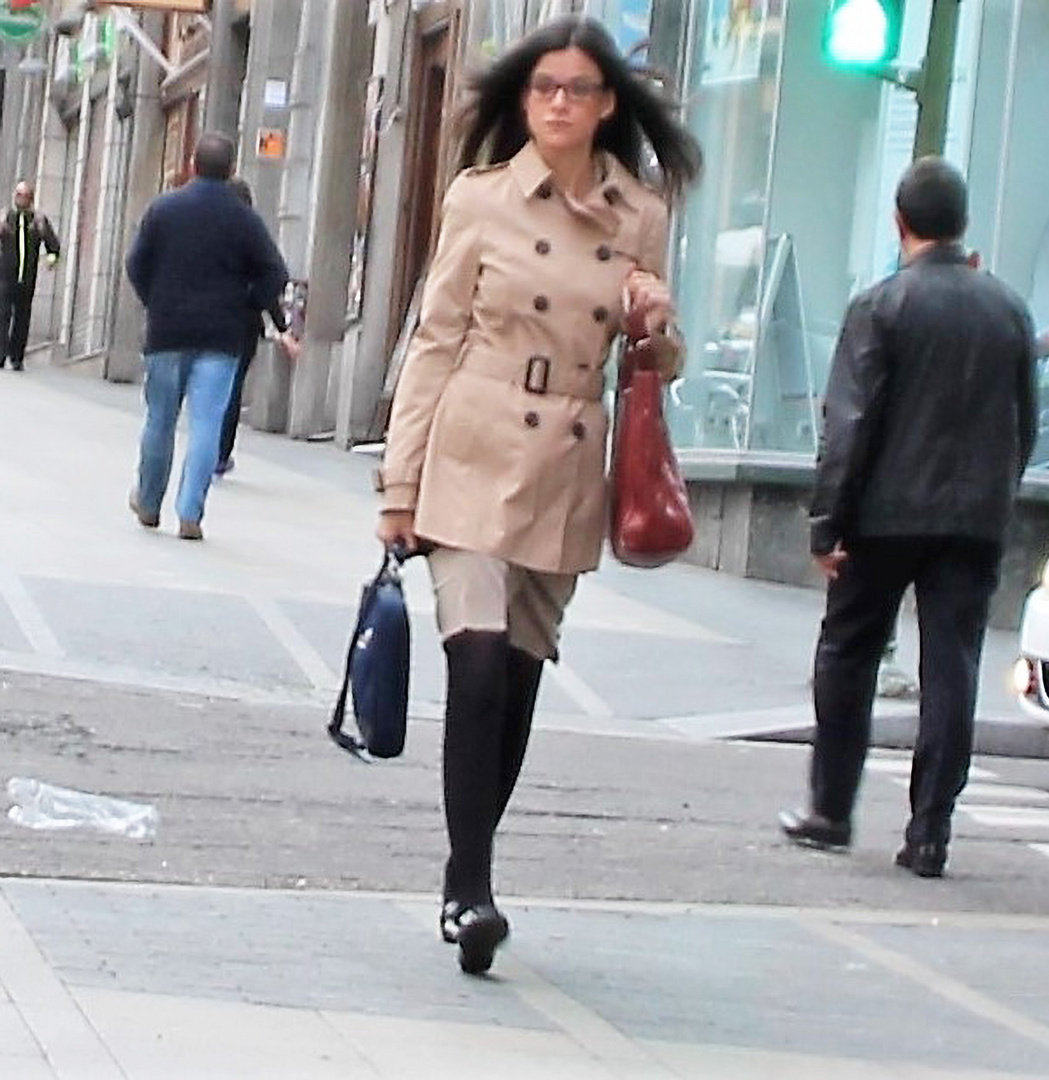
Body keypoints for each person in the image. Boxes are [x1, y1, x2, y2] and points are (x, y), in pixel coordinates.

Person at [374, 16, 700, 975]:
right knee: (473, 668)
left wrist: (659, 323)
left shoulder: (639, 214)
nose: (560, 103)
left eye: (579, 90)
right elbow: (434, 339)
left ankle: (464, 867)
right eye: (544, 88)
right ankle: (470, 890)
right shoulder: (479, 200)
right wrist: (400, 483)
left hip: (565, 457)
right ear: (524, 101)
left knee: (516, 686)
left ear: (608, 105)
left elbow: (656, 365)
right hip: (471, 445)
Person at [776, 158, 1039, 880]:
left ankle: (830, 808)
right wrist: (997, 496)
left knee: (849, 652)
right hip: (973, 518)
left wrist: (827, 522)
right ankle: (930, 830)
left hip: (883, 514)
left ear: (900, 224)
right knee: (951, 665)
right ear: (962, 224)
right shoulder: (1009, 309)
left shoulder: (881, 305)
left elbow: (850, 423)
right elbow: (1026, 421)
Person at [123, 134, 291, 540]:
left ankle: (148, 501)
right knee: (206, 424)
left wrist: (154, 300)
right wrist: (248, 302)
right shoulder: (244, 219)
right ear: (231, 170)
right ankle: (190, 512)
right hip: (221, 335)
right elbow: (275, 272)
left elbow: (135, 263)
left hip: (167, 331)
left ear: (192, 165)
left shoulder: (164, 208)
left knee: (159, 419)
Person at [214, 178, 299, 477]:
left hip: (209, 319)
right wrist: (280, 327)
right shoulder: (252, 233)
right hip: (244, 322)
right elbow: (273, 281)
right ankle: (220, 454)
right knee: (233, 387)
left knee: (210, 386)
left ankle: (208, 446)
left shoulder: (211, 230)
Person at [0, 181, 62, 371]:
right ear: (15, 196)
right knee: (2, 310)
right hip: (5, 272)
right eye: (20, 195)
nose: (23, 199)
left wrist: (52, 258)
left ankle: (17, 355)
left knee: (22, 315)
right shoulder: (4, 217)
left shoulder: (38, 220)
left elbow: (52, 244)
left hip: (27, 275)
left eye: (26, 195)